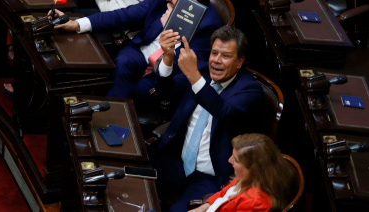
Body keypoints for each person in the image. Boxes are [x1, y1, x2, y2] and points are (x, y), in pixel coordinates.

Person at [152, 25, 266, 211]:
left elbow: (222, 109)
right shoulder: (203, 71)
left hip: (210, 178)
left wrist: (193, 75)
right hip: (176, 162)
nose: (216, 61)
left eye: (226, 56)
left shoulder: (250, 90)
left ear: (240, 61)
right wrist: (168, 57)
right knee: (133, 183)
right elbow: (165, 93)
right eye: (214, 53)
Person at [48, 0, 222, 112]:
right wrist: (76, 24)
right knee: (123, 62)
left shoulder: (209, 24)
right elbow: (124, 15)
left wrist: (172, 30)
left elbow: (186, 73)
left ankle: (107, 121)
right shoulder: (163, 2)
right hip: (141, 53)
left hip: (164, 73)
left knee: (140, 91)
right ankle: (101, 115)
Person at [188, 133, 297, 212]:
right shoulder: (251, 177)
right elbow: (224, 193)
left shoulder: (255, 204)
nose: (229, 160)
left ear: (253, 168)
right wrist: (201, 208)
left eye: (235, 159)